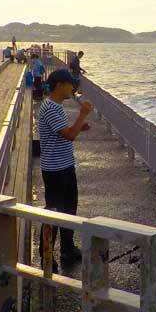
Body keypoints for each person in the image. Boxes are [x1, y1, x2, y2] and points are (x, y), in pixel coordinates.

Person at [38, 69, 93, 267]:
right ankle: (45, 255)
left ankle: (68, 249)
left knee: (69, 209)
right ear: (60, 85)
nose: (73, 88)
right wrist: (83, 115)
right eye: (71, 84)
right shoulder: (51, 107)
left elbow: (65, 132)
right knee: (53, 212)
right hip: (55, 170)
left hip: (64, 167)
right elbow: (69, 135)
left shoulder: (55, 106)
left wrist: (80, 125)